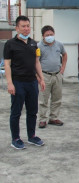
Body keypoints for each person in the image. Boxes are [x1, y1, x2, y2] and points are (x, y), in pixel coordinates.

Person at [3, 15, 45, 149]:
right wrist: (10, 83)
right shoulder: (10, 44)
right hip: (18, 82)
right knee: (16, 112)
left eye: (28, 26)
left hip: (32, 82)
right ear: (17, 28)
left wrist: (41, 78)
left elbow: (36, 62)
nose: (26, 29)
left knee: (32, 110)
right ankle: (15, 138)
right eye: (23, 26)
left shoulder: (34, 43)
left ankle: (31, 136)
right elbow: (7, 65)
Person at [38, 25, 68, 128]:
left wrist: (62, 68)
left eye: (51, 34)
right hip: (45, 75)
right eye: (47, 35)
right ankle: (42, 119)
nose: (50, 36)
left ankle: (53, 117)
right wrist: (39, 76)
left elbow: (64, 55)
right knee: (43, 99)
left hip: (57, 75)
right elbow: (35, 62)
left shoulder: (59, 44)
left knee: (57, 98)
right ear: (43, 36)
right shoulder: (39, 46)